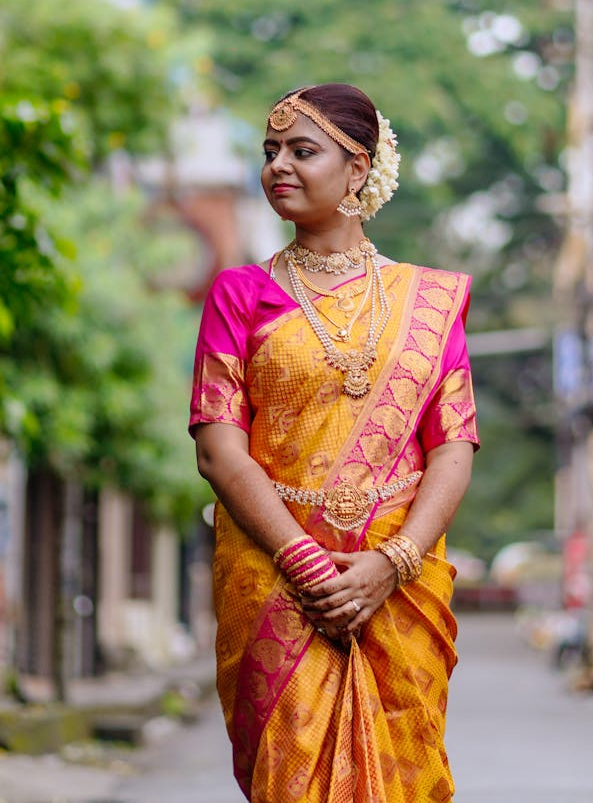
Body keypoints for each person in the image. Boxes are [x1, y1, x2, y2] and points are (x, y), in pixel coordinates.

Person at [190, 84, 479, 803]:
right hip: (276, 583)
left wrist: (393, 562)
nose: (278, 166)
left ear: (357, 169)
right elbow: (218, 447)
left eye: (301, 150)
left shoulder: (427, 301)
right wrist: (305, 563)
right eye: (270, 152)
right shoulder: (240, 293)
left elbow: (454, 444)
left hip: (397, 587)